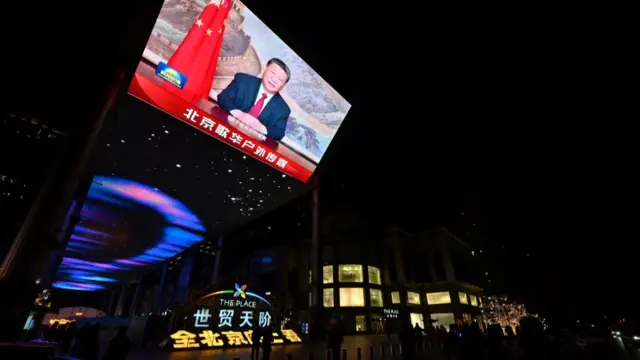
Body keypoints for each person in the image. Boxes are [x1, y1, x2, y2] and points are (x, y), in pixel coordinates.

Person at [216, 58, 292, 141]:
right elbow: (223, 97)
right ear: (265, 69)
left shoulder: (283, 109)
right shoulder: (242, 80)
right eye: (272, 73)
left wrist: (261, 127)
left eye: (280, 79)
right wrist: (239, 114)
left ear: (283, 85)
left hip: (250, 144)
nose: (274, 80)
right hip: (223, 130)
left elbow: (279, 132)